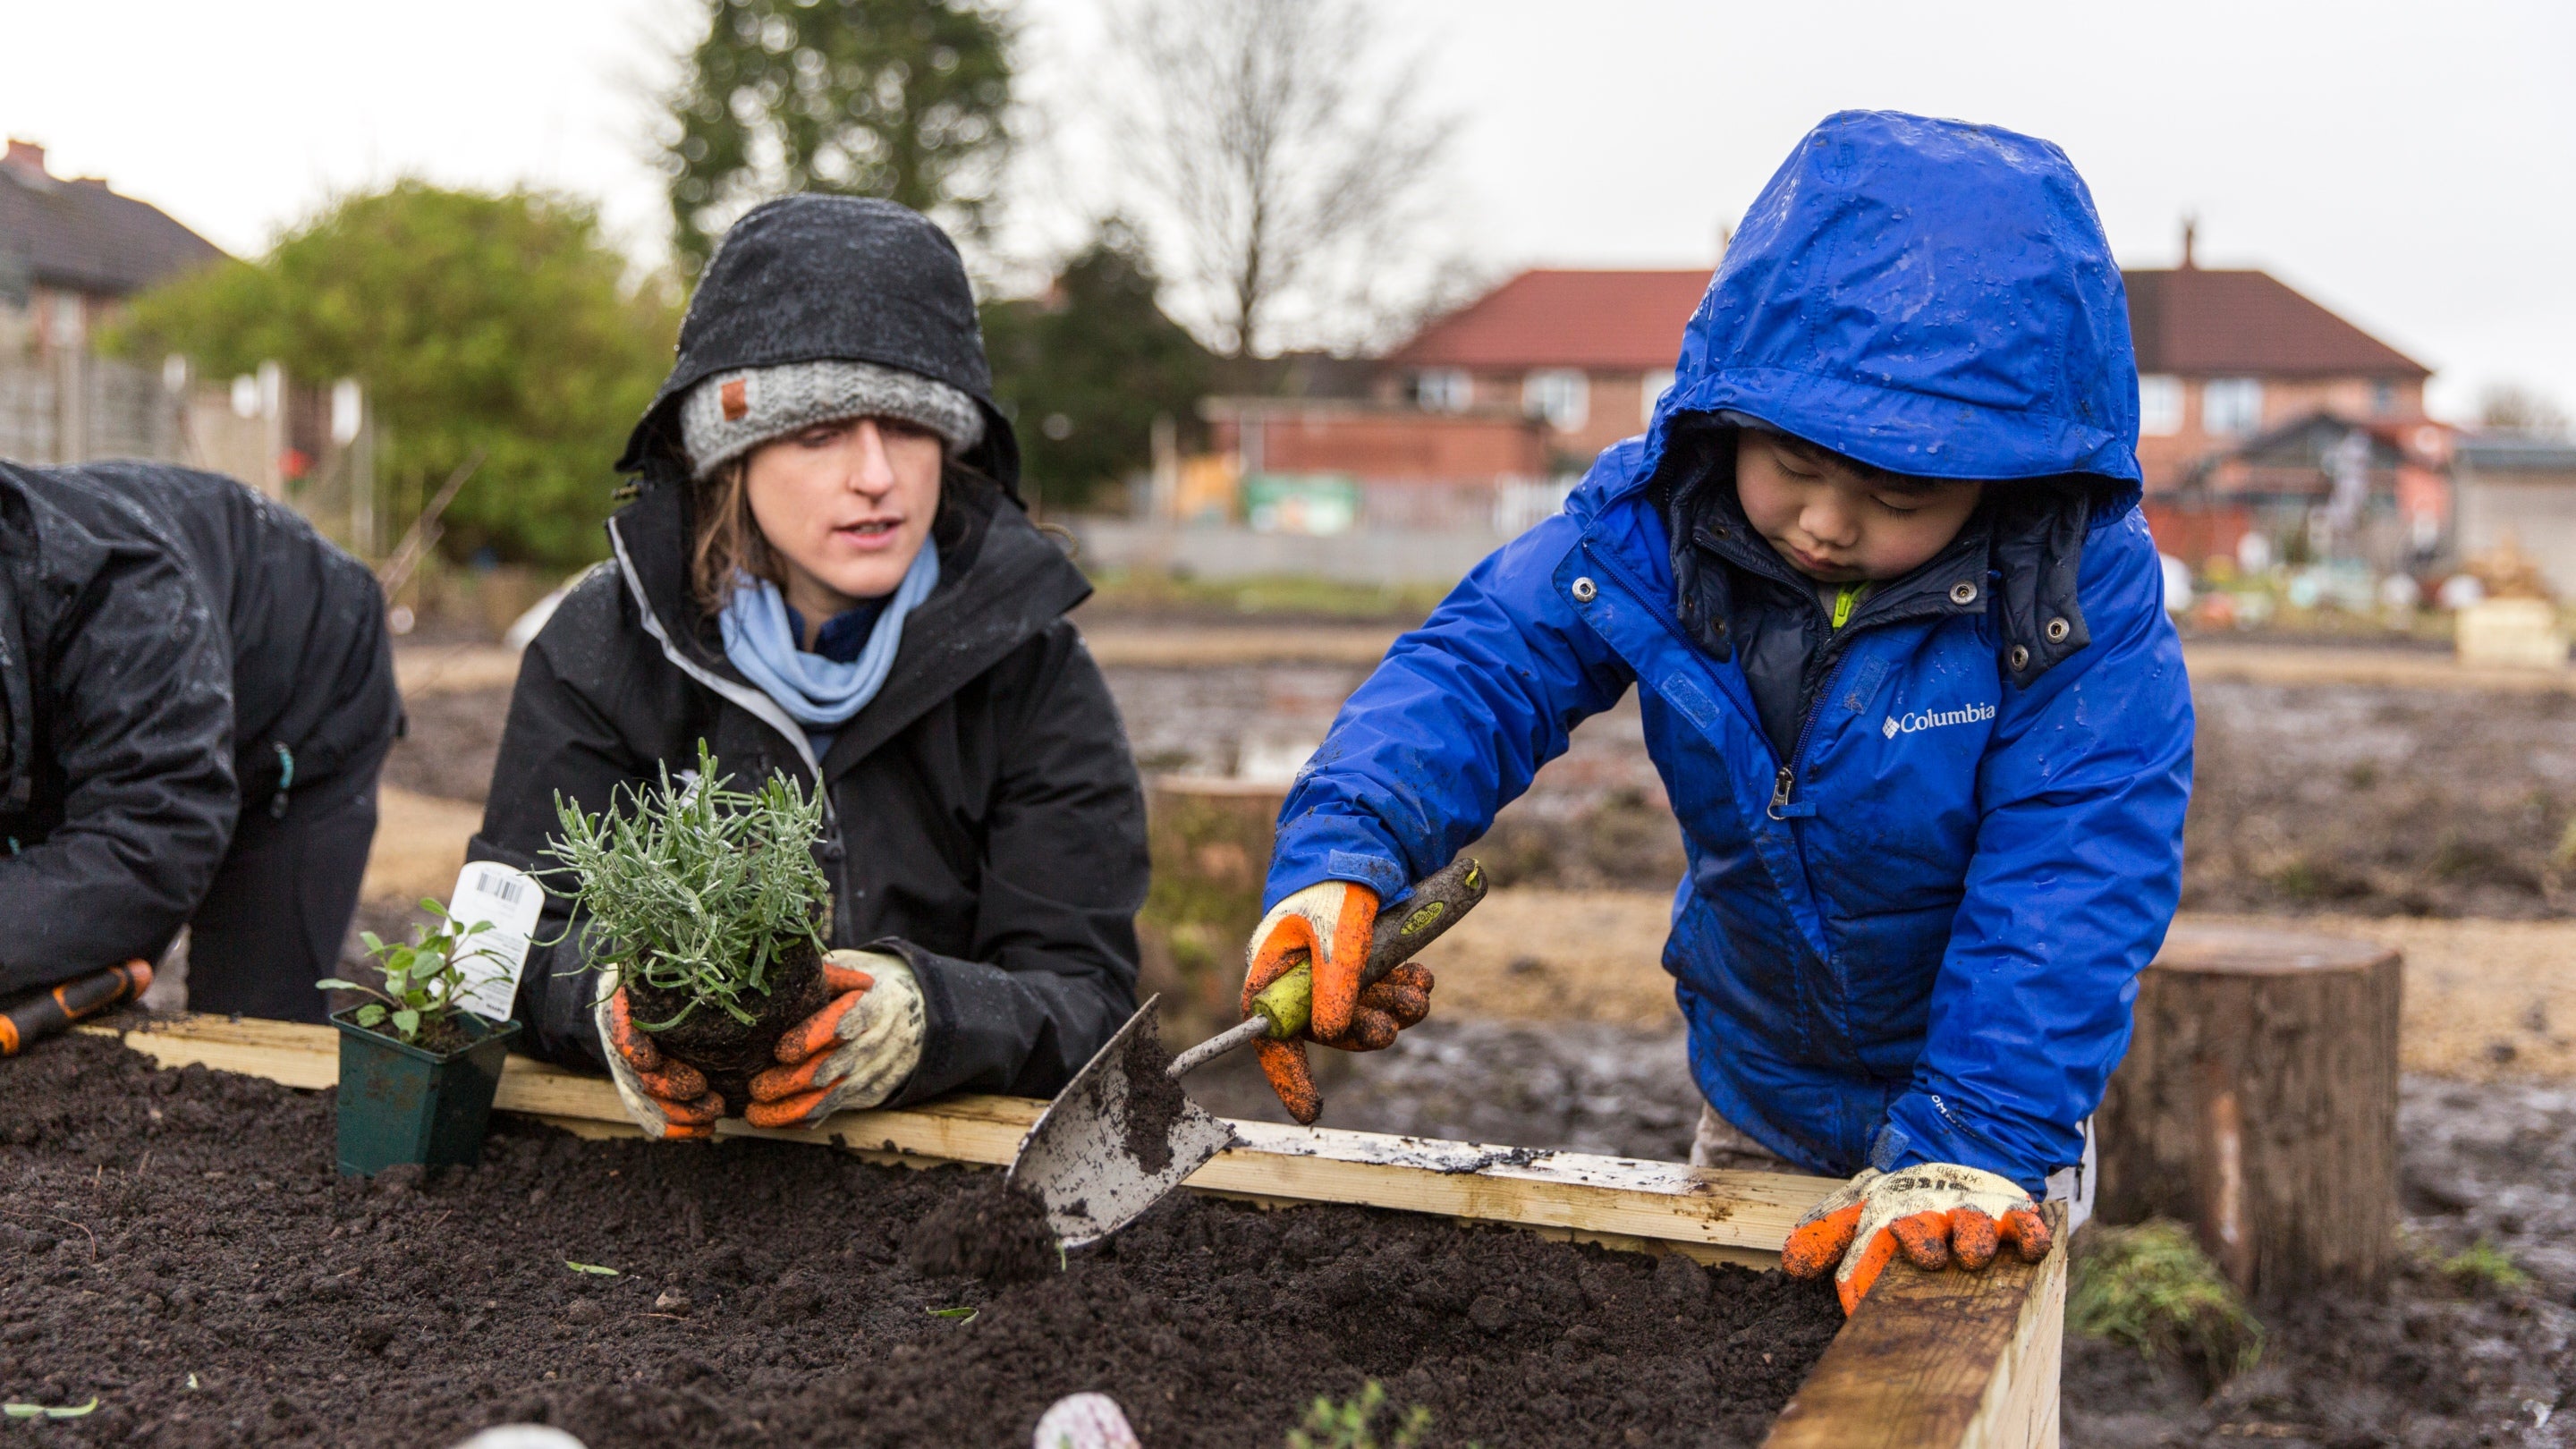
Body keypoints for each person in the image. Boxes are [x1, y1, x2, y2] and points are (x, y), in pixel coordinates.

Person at [1238, 111, 2192, 1312]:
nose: (1829, 523)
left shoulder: (2071, 601)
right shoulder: (1658, 526)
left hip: (1988, 1122)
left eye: (1897, 493)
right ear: (1731, 415)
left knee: (1945, 1384)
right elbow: (1482, 664)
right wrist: (1343, 852)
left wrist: (1978, 1137)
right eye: (1792, 468)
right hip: (1754, 1088)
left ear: (2008, 474)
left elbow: (2076, 870)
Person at [470, 194, 1148, 1139]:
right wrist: (607, 1005)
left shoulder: (1033, 671)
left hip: (935, 1196)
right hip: (661, 1181)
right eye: (820, 431)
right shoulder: (605, 644)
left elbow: (1085, 995)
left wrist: (926, 1018)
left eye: (909, 428)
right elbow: (500, 944)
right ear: (730, 455)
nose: (876, 474)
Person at [0, 460, 402, 1019]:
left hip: (302, 705)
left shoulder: (122, 590)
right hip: (101, 713)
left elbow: (152, 836)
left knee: (252, 1044)